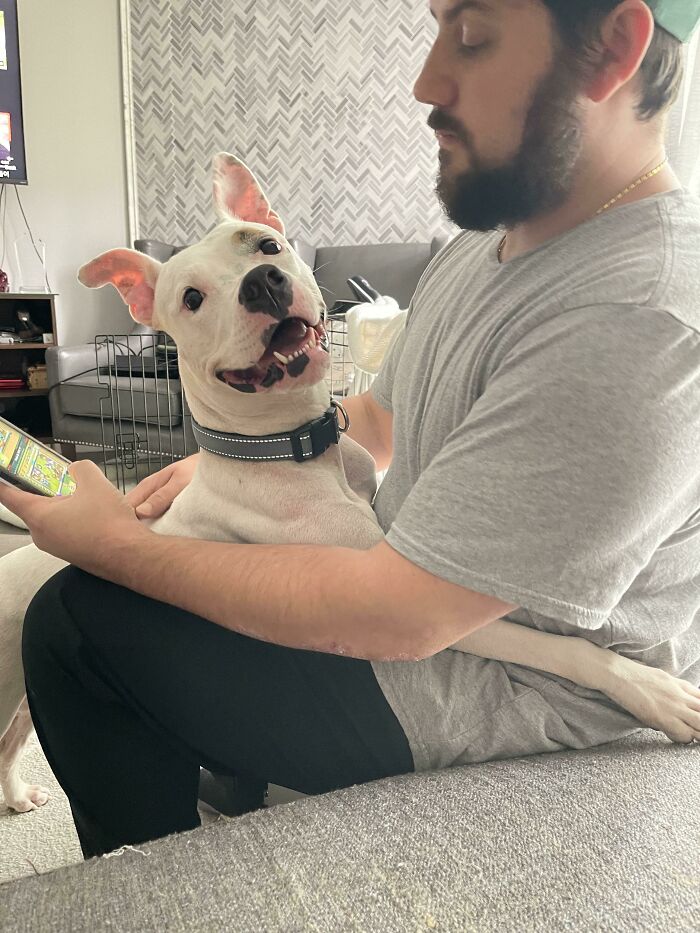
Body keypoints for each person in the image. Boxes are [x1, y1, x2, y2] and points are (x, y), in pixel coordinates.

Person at [1, 0, 699, 859]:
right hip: (412, 602)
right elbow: (374, 420)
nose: (425, 80)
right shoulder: (489, 250)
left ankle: (149, 895)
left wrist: (110, 545)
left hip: (511, 691)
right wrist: (226, 461)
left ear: (613, 51)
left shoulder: (636, 312)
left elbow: (400, 617)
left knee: (73, 624)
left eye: (472, 37)